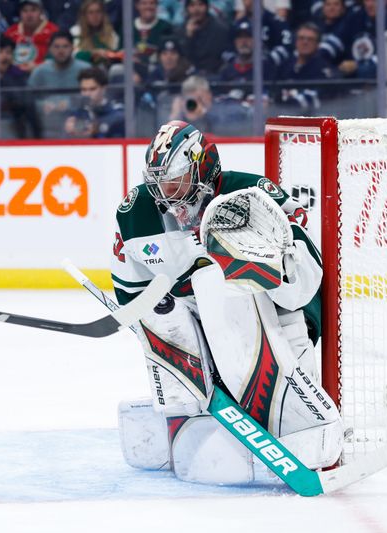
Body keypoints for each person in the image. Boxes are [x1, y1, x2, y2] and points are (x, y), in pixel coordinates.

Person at [111, 120, 341, 486]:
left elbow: (304, 286)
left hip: (274, 317)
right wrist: (152, 318)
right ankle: (183, 417)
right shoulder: (137, 212)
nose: (165, 196)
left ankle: (286, 411)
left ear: (202, 168)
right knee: (163, 321)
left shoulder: (254, 196)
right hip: (197, 324)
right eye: (158, 184)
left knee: (221, 288)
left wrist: (267, 265)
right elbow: (130, 291)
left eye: (174, 182)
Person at [26, 30, 90, 137]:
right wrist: (42, 106)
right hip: (47, 125)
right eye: (56, 47)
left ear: (72, 48)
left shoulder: (85, 69)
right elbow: (27, 100)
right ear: (50, 49)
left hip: (79, 123)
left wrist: (71, 103)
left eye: (65, 46)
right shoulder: (39, 72)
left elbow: (93, 97)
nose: (61, 51)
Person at [64, 67, 124, 138]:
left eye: (92, 89)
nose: (87, 94)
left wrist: (96, 133)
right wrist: (69, 133)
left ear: (104, 89)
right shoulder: (75, 114)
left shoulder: (117, 114)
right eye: (84, 89)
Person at [4, 0, 60, 74]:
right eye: (25, 10)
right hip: (14, 76)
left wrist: (38, 66)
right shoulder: (10, 32)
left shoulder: (53, 31)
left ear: (41, 11)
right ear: (20, 13)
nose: (29, 15)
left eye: (33, 10)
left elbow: (59, 59)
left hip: (45, 75)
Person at [176, 0, 231, 75]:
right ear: (187, 8)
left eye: (200, 4)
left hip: (214, 74)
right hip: (188, 75)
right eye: (192, 5)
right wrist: (188, 37)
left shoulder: (220, 29)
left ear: (207, 7)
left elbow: (216, 56)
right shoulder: (180, 30)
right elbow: (183, 58)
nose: (196, 9)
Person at [72, 0, 122, 68]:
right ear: (84, 15)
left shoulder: (111, 34)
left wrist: (106, 54)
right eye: (91, 12)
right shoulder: (75, 32)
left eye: (98, 12)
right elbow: (73, 56)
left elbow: (116, 54)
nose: (95, 16)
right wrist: (92, 54)